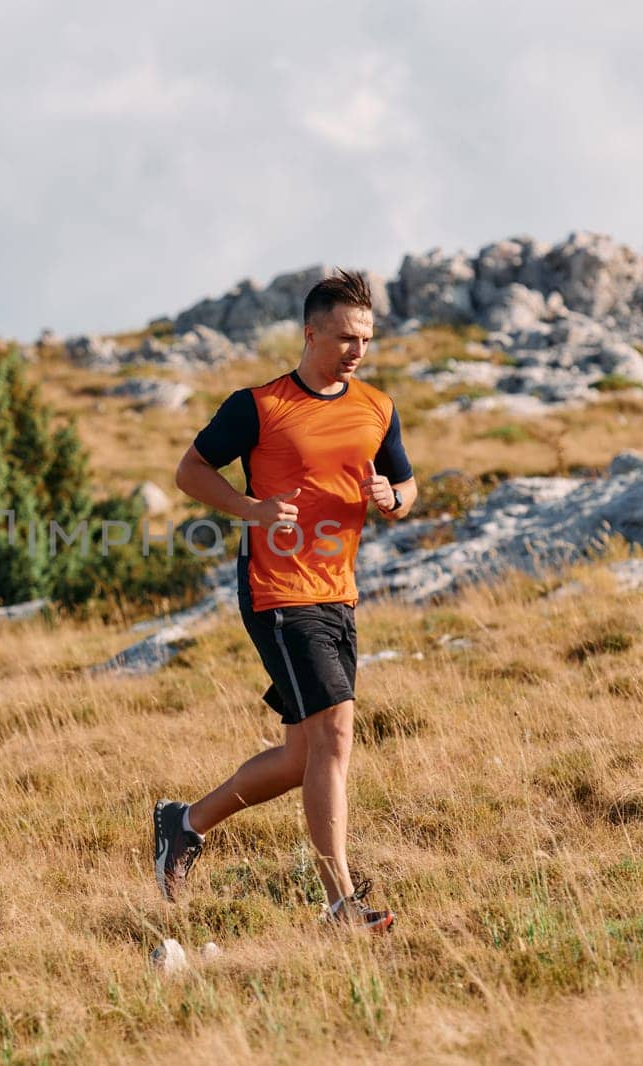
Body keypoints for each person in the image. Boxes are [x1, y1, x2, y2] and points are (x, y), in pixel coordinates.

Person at [154, 269, 416, 931]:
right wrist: (250, 509)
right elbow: (190, 471)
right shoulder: (259, 406)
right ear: (310, 332)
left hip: (340, 593)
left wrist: (394, 501)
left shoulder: (378, 408)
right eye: (345, 336)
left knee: (304, 756)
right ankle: (340, 902)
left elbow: (407, 487)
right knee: (335, 735)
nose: (357, 349)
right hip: (277, 591)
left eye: (366, 338)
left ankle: (184, 823)